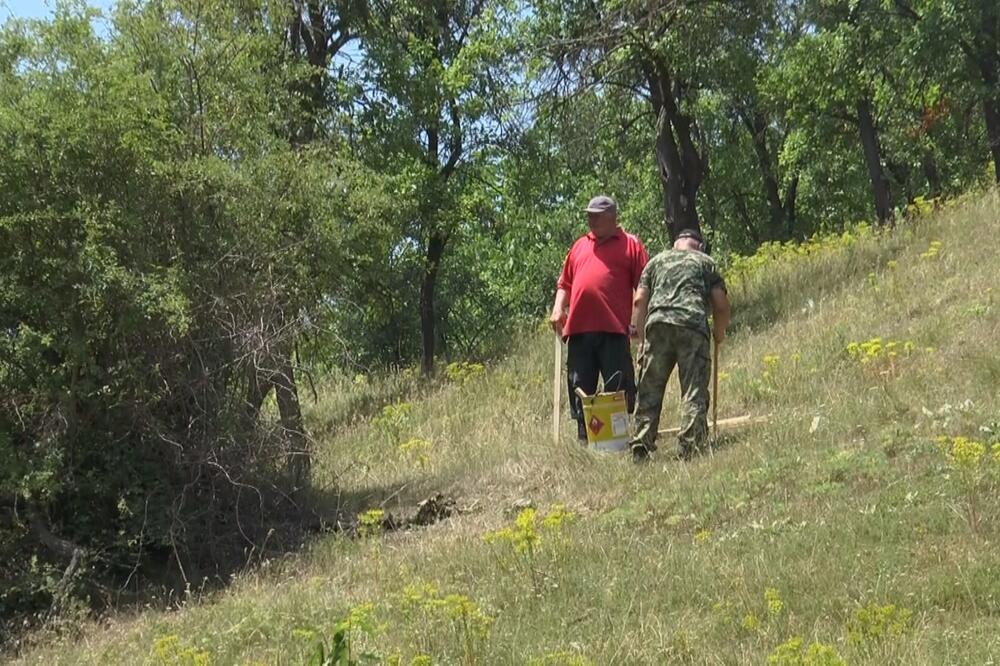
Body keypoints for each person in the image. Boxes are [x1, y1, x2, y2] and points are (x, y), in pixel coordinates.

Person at [550, 195, 649, 441]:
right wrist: (557, 308)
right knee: (580, 386)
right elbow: (565, 283)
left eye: (596, 215)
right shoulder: (579, 246)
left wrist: (637, 320)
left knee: (618, 385)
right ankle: (586, 441)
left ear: (612, 217)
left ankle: (618, 439)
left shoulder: (630, 244)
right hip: (579, 330)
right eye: (589, 215)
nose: (590, 219)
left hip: (613, 329)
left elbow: (644, 285)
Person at [628, 228, 731, 462]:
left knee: (649, 388)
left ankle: (641, 445)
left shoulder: (655, 262)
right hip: (691, 326)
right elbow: (721, 304)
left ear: (675, 244)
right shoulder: (705, 262)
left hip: (657, 326)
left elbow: (639, 300)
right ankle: (691, 447)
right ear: (699, 246)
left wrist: (641, 340)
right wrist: (719, 331)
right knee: (693, 389)